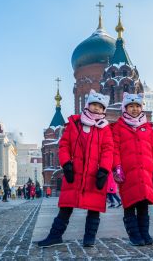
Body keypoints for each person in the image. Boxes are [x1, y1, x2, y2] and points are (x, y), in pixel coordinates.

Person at [38, 90, 113, 248]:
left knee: (94, 209)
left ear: (103, 110)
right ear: (87, 105)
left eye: (100, 106)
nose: (96, 108)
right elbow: (64, 145)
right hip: (74, 172)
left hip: (94, 174)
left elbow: (108, 150)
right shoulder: (74, 123)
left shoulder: (104, 128)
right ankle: (55, 236)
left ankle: (89, 238)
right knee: (65, 207)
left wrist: (104, 170)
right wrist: (66, 164)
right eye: (93, 104)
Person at [112, 92, 153, 246]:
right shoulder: (119, 126)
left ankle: (144, 233)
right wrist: (117, 167)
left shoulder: (147, 128)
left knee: (143, 206)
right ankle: (134, 234)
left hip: (145, 172)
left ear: (141, 108)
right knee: (130, 204)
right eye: (131, 106)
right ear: (125, 108)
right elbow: (115, 149)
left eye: (137, 106)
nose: (134, 109)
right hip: (127, 172)